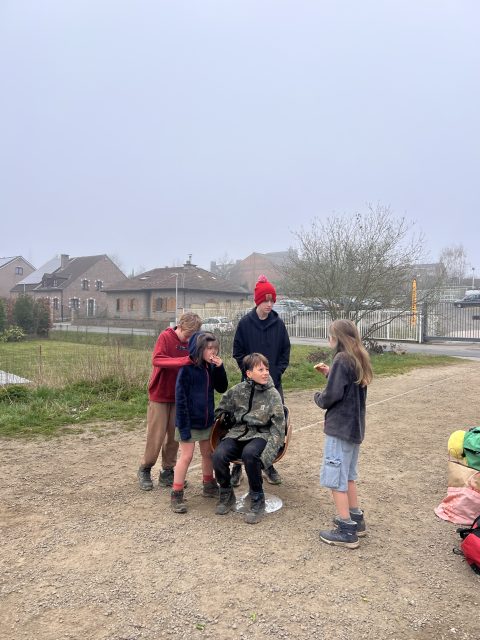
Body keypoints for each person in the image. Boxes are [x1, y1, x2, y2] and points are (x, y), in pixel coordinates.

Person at [313, 319, 373, 549]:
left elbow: (332, 396)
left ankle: (346, 529)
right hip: (354, 428)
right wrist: (330, 374)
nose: (329, 339)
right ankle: (356, 519)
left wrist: (318, 398)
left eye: (330, 335)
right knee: (348, 475)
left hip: (340, 428)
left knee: (335, 477)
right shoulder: (358, 357)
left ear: (337, 338)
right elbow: (347, 386)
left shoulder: (341, 359)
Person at [212, 353, 285, 524]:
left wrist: (268, 456)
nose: (266, 373)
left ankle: (257, 498)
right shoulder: (237, 390)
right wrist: (225, 417)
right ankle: (226, 493)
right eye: (261, 369)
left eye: (267, 369)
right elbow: (220, 409)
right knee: (218, 455)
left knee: (250, 454)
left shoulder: (273, 394)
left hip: (261, 434)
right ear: (249, 373)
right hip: (237, 432)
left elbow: (278, 427)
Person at [232, 274, 290, 487]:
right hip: (249, 387)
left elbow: (285, 352)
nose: (269, 304)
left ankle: (268, 464)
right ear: (257, 301)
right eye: (266, 300)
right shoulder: (245, 324)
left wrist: (277, 373)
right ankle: (237, 466)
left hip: (273, 385)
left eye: (272, 300)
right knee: (243, 423)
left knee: (274, 424)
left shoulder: (278, 324)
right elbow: (238, 352)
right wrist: (250, 373)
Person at [137, 312, 202, 491]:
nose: (188, 339)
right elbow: (157, 359)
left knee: (174, 436)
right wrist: (183, 361)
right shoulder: (165, 337)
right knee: (156, 435)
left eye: (192, 336)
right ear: (180, 326)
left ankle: (167, 471)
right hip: (160, 394)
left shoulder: (192, 342)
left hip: (179, 396)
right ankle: (145, 468)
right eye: (187, 335)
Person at [170, 331, 228, 513]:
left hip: (206, 421)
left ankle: (208, 484)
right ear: (199, 349)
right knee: (186, 456)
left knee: (208, 453)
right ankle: (176, 493)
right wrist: (183, 427)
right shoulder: (186, 369)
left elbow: (222, 387)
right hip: (188, 422)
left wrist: (220, 368)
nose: (213, 352)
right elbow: (180, 399)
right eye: (209, 348)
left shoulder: (211, 368)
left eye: (215, 348)